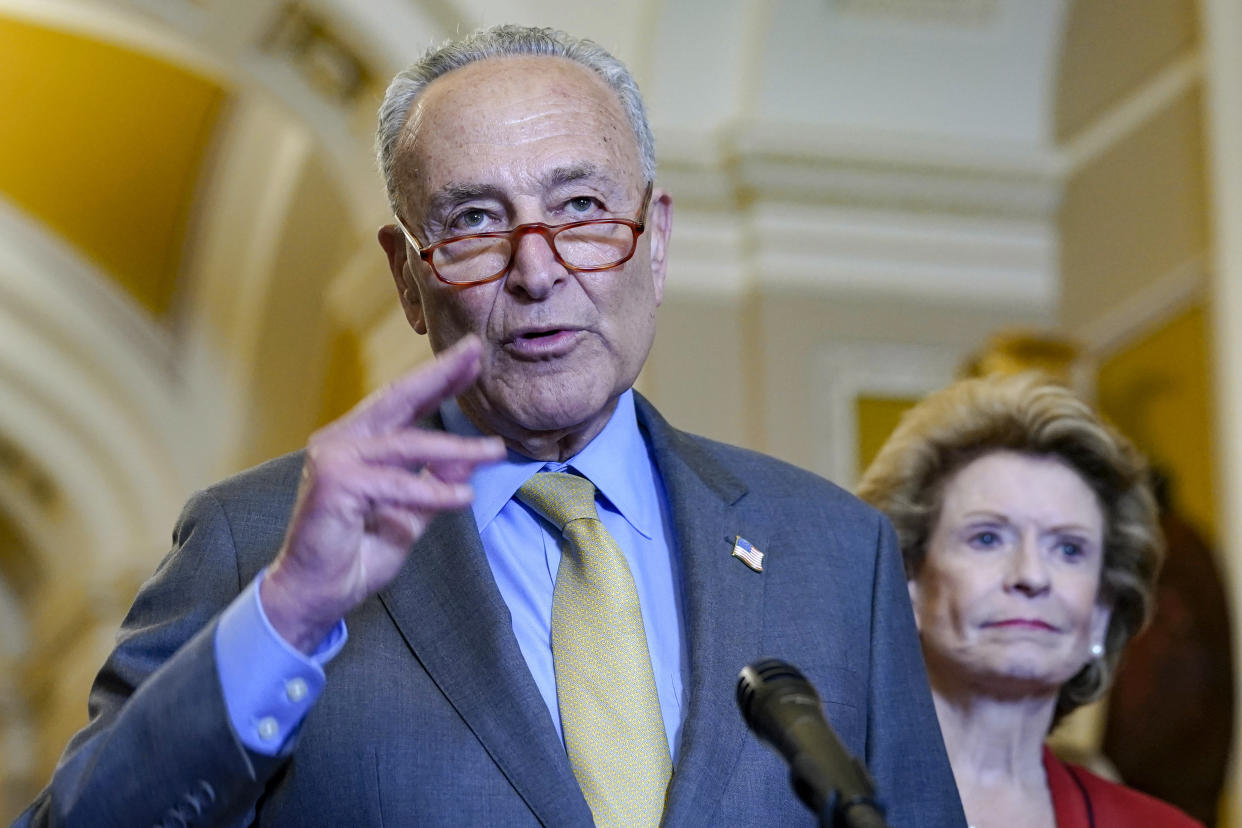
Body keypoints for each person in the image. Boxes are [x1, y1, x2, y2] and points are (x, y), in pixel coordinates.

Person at [16, 25, 963, 828]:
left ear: (657, 240)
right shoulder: (256, 543)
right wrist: (289, 615)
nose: (537, 270)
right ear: (408, 280)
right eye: (473, 222)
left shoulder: (835, 550)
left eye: (582, 208)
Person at [856, 373, 1202, 828]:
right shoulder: (793, 805)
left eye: (1069, 549)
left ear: (1101, 610)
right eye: (987, 538)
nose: (1031, 576)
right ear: (908, 581)